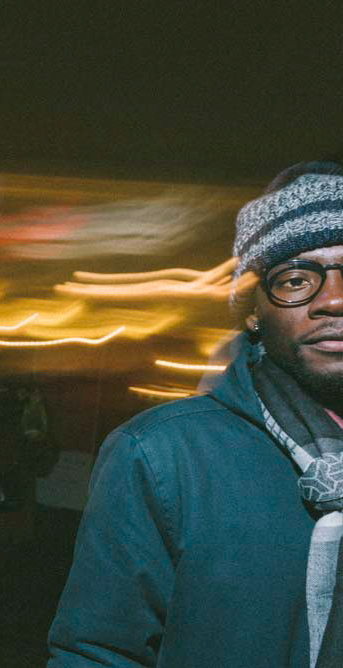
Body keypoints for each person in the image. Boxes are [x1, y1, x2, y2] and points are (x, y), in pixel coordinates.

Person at [48, 162, 343, 667]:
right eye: (296, 280)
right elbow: (98, 654)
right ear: (252, 310)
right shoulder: (161, 456)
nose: (334, 300)